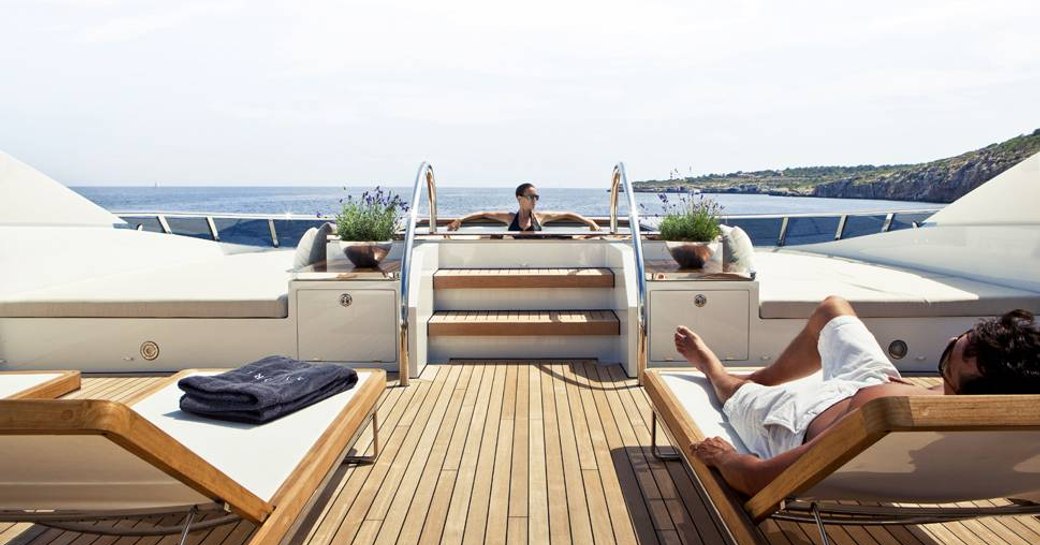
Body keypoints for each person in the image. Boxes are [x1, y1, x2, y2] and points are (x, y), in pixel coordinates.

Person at [676, 295, 1040, 496]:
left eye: (969, 343)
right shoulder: (999, 412)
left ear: (974, 370)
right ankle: (763, 377)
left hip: (802, 418)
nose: (957, 339)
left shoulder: (890, 421)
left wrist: (724, 456)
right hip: (878, 383)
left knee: (734, 391)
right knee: (833, 309)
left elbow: (758, 479)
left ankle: (720, 372)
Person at [446, 183, 601, 232]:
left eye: (536, 197)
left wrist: (590, 222)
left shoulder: (540, 217)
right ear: (519, 198)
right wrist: (460, 219)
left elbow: (567, 214)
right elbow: (484, 214)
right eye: (530, 197)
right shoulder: (510, 217)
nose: (534, 200)